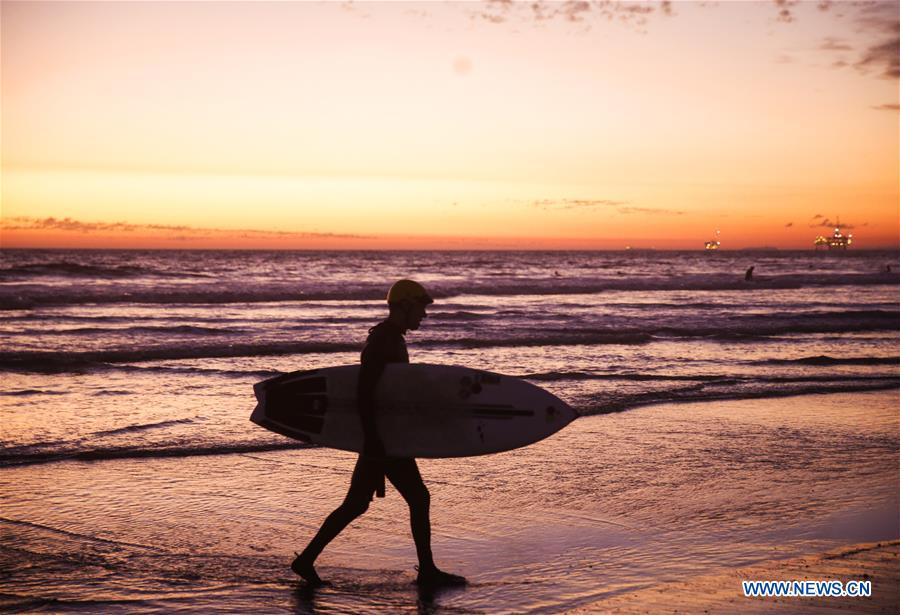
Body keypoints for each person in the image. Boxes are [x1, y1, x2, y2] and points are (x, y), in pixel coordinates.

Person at [291, 279, 467, 588]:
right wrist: (374, 440)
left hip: (383, 437)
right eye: (421, 308)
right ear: (405, 306)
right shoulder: (383, 342)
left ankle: (306, 560)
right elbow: (365, 394)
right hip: (383, 439)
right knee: (418, 497)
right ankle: (427, 571)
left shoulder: (391, 338)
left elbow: (391, 393)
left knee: (357, 504)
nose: (424, 315)